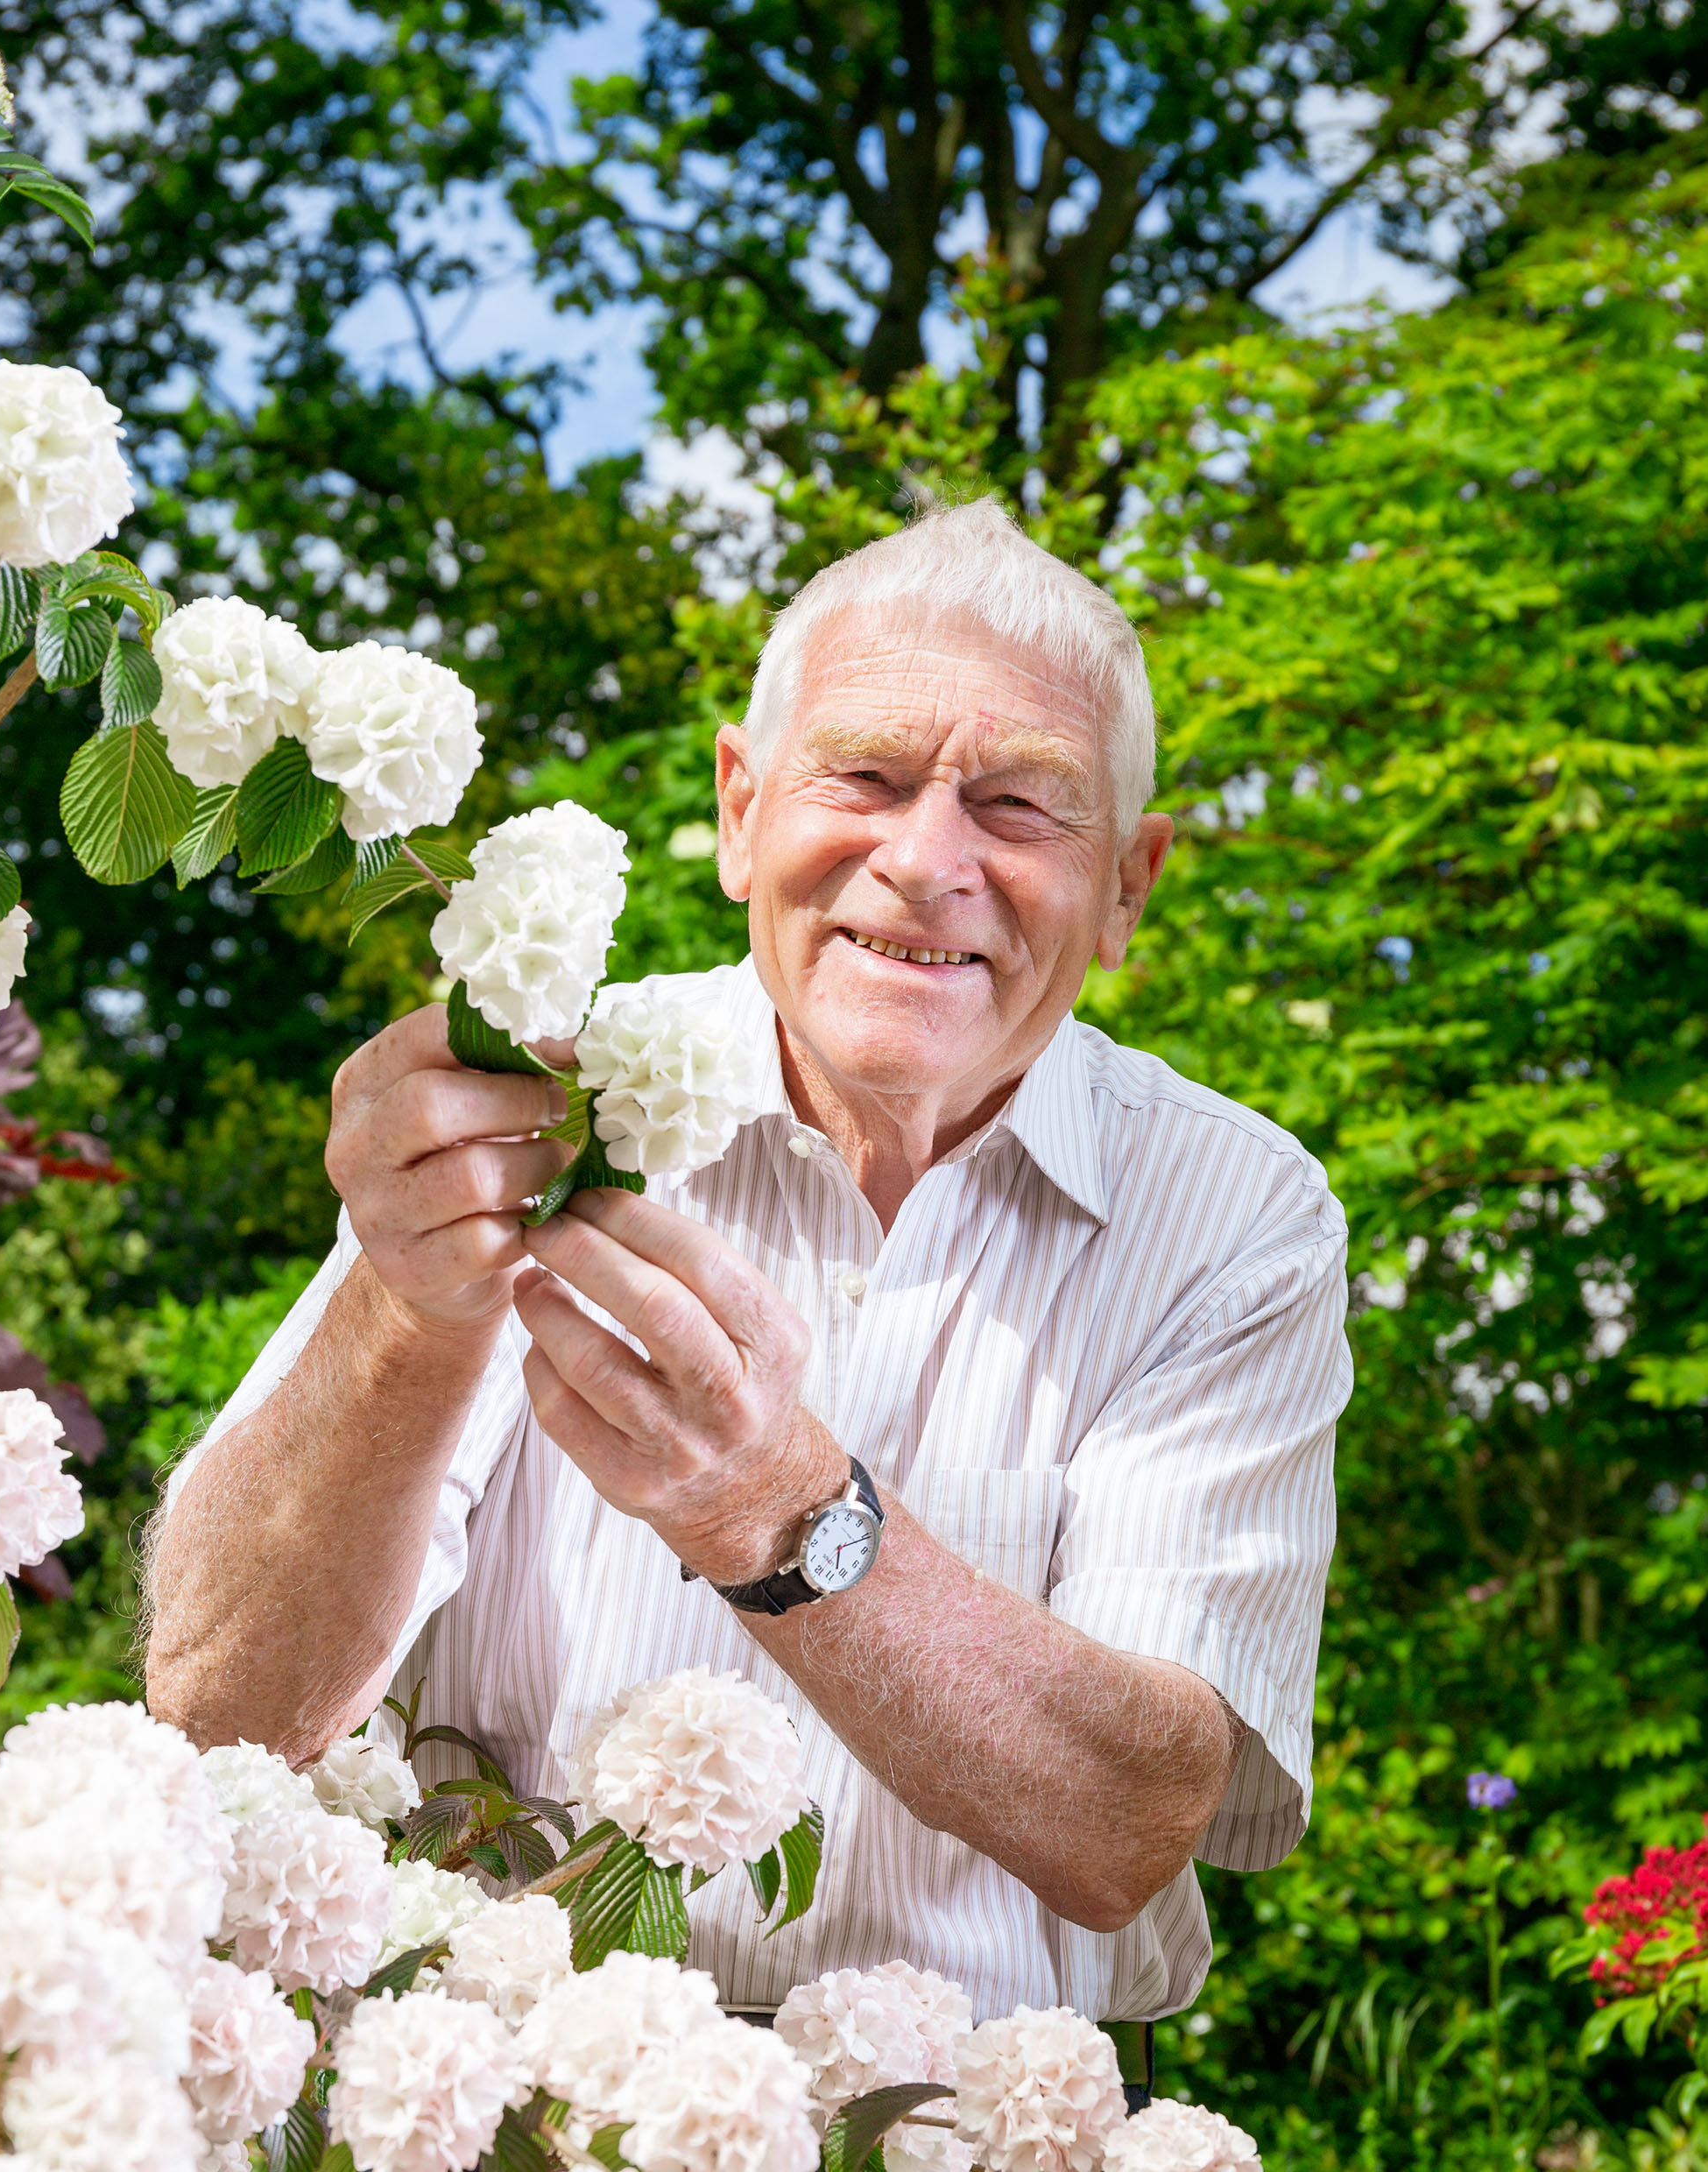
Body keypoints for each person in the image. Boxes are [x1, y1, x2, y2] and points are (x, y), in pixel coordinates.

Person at [145, 498, 1347, 2050]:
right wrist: (409, 1306)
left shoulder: (1234, 1212)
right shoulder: (535, 1105)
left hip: (951, 2134)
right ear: (736, 809)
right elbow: (218, 1708)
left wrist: (774, 1507)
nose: (925, 862)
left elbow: (1129, 1824)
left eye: (1020, 804)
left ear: (1128, 887)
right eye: (866, 775)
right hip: (489, 2111)